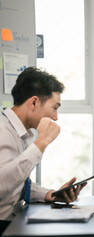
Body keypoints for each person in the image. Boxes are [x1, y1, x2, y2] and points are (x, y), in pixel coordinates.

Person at [0, 67, 85, 223]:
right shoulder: (2, 130)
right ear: (34, 102)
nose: (55, 117)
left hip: (15, 221)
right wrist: (40, 144)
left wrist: (50, 194)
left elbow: (16, 185)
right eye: (54, 108)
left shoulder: (20, 133)